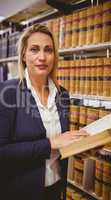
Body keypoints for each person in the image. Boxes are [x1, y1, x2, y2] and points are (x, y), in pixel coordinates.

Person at [0, 23, 87, 200]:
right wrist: (50, 144)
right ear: (24, 55)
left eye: (48, 50)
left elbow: (61, 144)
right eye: (34, 49)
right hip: (19, 192)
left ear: (54, 56)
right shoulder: (8, 92)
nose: (42, 57)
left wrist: (81, 147)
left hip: (55, 188)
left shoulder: (62, 94)